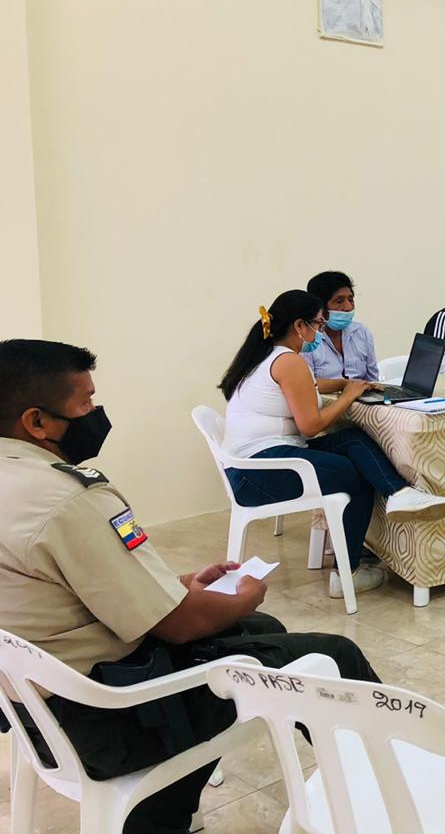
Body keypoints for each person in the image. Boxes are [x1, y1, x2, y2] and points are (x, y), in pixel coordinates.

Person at [0, 339, 380, 834]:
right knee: (331, 657)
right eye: (86, 402)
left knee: (257, 629)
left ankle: (163, 815)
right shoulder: (67, 499)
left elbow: (69, 588)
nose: (96, 413)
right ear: (36, 422)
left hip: (36, 710)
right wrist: (242, 595)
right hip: (109, 720)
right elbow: (181, 626)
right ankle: (385, 796)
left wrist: (179, 585)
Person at [219, 290, 445, 599]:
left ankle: (399, 494)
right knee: (356, 475)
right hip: (262, 472)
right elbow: (311, 425)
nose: (320, 331)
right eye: (318, 324)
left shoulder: (265, 355)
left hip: (252, 466)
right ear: (299, 326)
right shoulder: (289, 362)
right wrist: (348, 396)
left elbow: (312, 386)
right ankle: (347, 573)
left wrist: (346, 384)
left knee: (353, 439)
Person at [303, 270, 380, 382]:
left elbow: (373, 380)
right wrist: (345, 386)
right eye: (339, 301)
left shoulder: (362, 332)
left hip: (363, 393)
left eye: (350, 299)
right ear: (320, 307)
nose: (348, 307)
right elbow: (307, 384)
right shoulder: (308, 340)